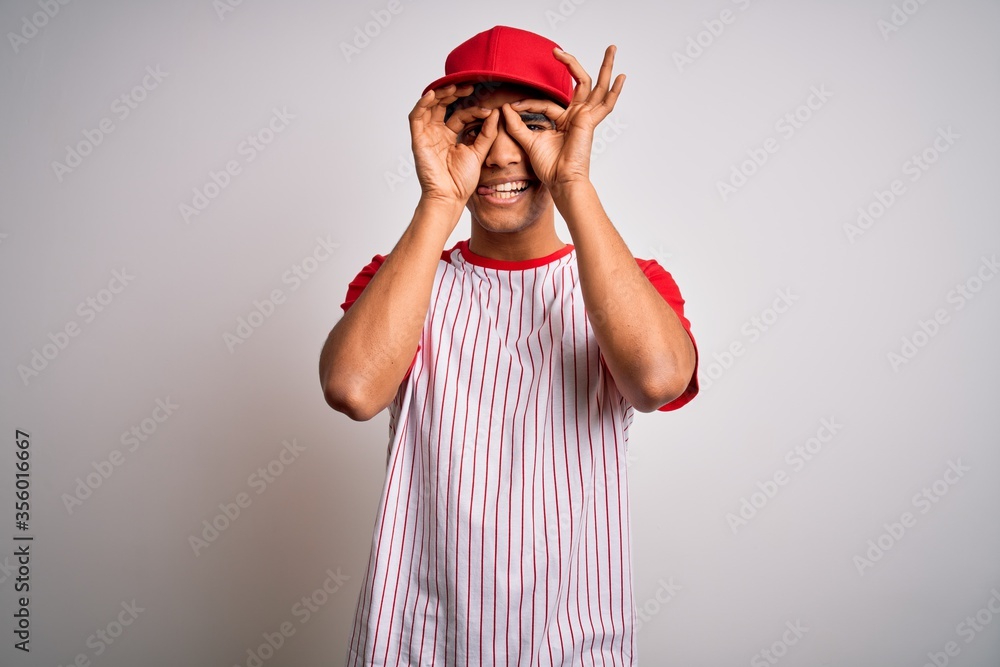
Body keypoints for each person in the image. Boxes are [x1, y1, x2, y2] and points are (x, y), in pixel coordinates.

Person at [319, 24, 699, 667]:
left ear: (574, 131)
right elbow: (353, 390)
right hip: (413, 640)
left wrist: (573, 182)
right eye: (474, 128)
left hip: (574, 642)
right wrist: (441, 196)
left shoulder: (635, 286)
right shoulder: (402, 280)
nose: (501, 152)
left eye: (532, 122)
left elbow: (656, 379)